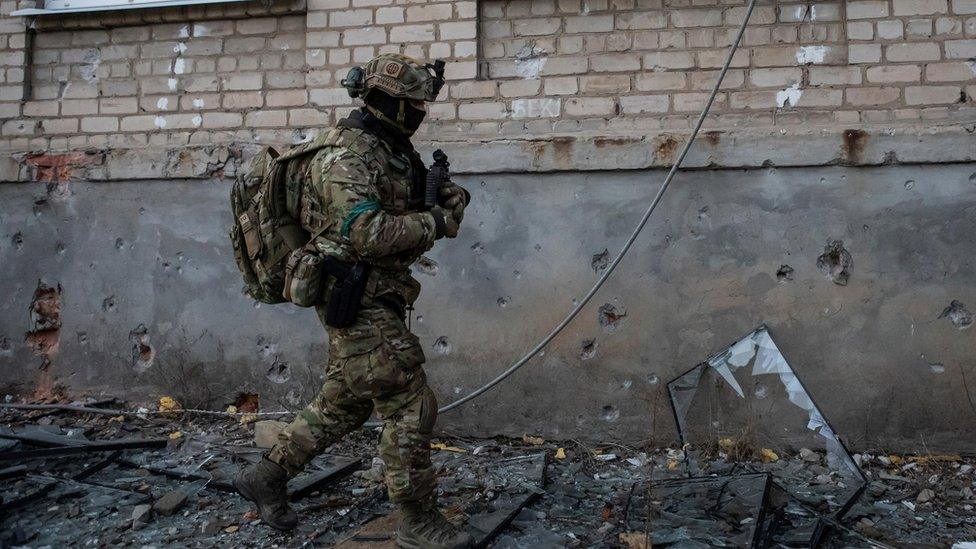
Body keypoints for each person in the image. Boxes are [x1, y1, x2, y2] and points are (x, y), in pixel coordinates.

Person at [235, 54, 472, 549]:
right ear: (386, 102)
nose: (420, 114)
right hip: (354, 293)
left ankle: (268, 475)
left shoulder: (386, 149)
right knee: (409, 400)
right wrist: (436, 222)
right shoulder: (344, 158)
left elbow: (398, 205)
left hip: (379, 293)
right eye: (413, 105)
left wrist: (443, 199)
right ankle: (416, 520)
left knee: (345, 399)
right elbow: (368, 233)